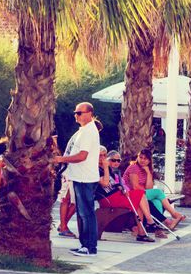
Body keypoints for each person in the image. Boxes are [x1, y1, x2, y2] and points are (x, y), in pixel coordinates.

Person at [54, 102, 101, 257]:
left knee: (87, 213)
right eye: (75, 112)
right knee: (82, 213)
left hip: (85, 178)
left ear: (89, 113)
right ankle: (84, 245)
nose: (76, 115)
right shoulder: (84, 130)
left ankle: (90, 247)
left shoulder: (89, 131)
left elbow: (82, 156)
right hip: (79, 177)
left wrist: (62, 159)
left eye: (79, 112)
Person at [96, 150, 156, 242]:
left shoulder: (109, 170)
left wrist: (121, 188)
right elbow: (105, 183)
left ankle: (141, 233)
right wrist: (106, 168)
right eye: (100, 155)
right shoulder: (97, 169)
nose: (103, 158)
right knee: (140, 194)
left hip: (116, 195)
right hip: (107, 199)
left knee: (138, 202)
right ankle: (149, 221)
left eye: (104, 155)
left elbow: (114, 185)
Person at [122, 149, 184, 231]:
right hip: (131, 194)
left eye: (145, 158)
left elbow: (149, 188)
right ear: (137, 157)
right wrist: (145, 189)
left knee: (157, 201)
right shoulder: (134, 167)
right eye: (141, 157)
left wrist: (148, 173)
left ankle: (155, 224)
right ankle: (173, 215)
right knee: (158, 192)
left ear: (149, 160)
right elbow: (135, 187)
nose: (142, 160)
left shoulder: (146, 169)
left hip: (142, 193)